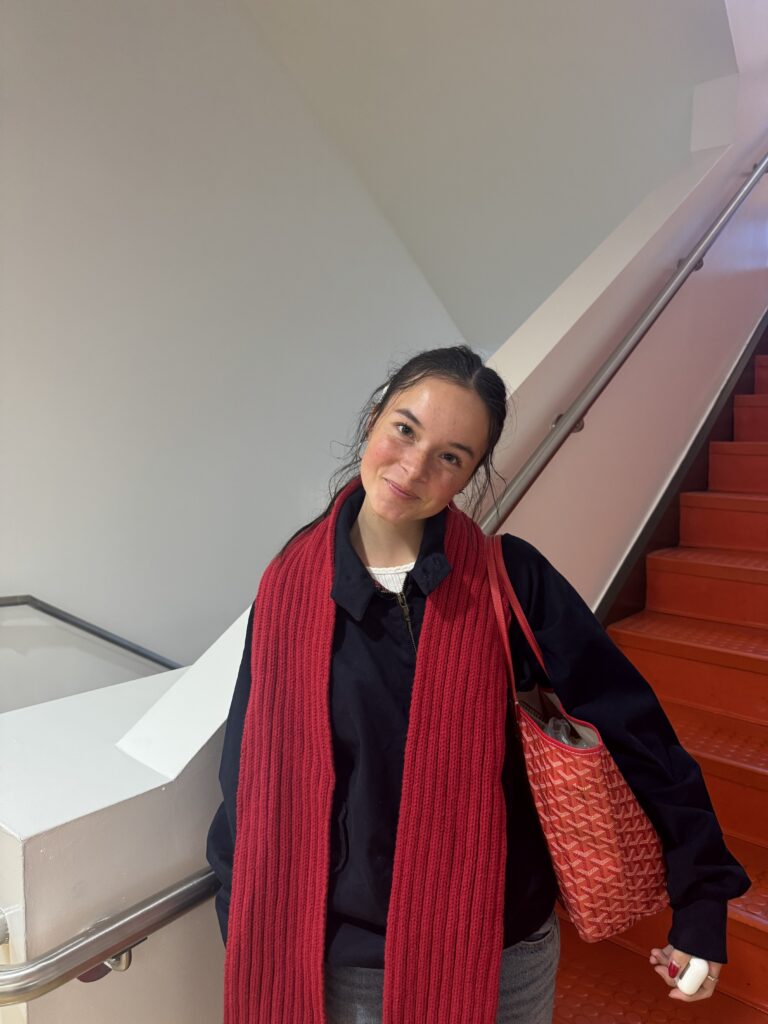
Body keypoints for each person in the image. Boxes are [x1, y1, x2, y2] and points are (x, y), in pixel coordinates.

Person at [206, 345, 751, 1023]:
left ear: (468, 476)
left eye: (450, 457)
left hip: (500, 952)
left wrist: (701, 896)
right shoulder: (289, 588)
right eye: (405, 429)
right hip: (344, 967)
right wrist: (246, 915)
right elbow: (249, 777)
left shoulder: (508, 580)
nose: (413, 468)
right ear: (375, 417)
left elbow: (635, 728)